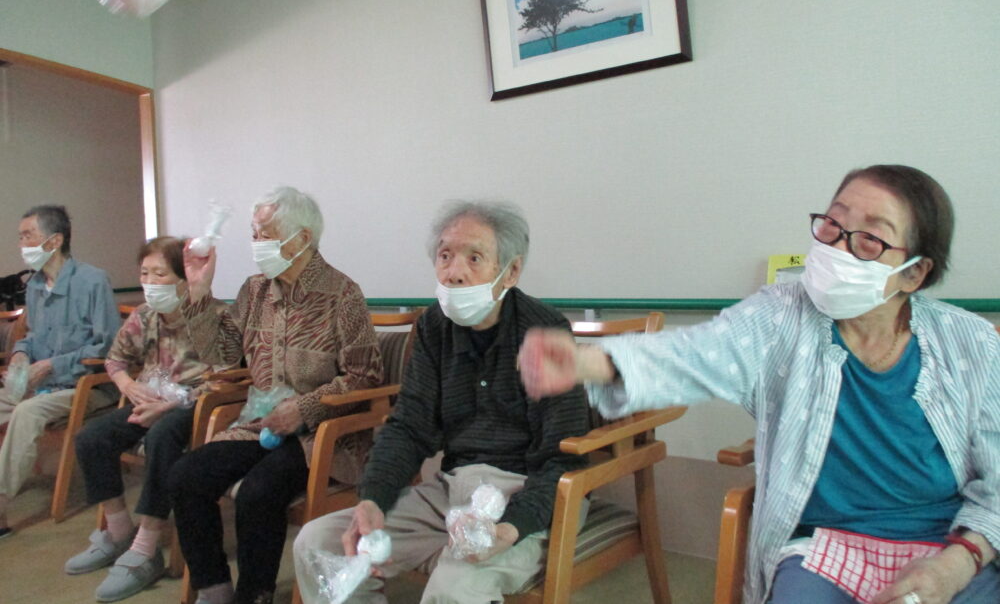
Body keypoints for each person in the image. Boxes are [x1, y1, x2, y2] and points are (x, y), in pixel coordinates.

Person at [519, 165, 1000, 604]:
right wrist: (590, 362)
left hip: (948, 545)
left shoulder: (970, 343)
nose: (837, 247)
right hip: (823, 546)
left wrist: (957, 564)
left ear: (913, 272)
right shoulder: (782, 316)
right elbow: (697, 353)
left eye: (869, 239)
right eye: (833, 224)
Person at [293, 200, 591, 604]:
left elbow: (564, 456)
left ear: (511, 271)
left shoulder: (545, 329)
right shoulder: (434, 327)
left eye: (474, 258)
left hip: (529, 496)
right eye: (445, 256)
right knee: (318, 541)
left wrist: (512, 526)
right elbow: (409, 427)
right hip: (452, 491)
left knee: (454, 590)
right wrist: (372, 499)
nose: (454, 273)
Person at [169, 187, 382, 604]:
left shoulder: (342, 294)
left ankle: (255, 594)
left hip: (320, 436)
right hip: (259, 426)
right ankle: (214, 589)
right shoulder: (255, 291)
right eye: (253, 232)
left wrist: (303, 409)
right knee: (186, 476)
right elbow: (224, 355)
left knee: (259, 492)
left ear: (301, 239)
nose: (256, 243)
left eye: (265, 233)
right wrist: (199, 293)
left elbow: (365, 376)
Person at [64, 236, 243, 601]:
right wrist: (128, 385)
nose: (149, 282)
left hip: (199, 404)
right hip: (148, 400)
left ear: (184, 277)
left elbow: (227, 377)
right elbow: (114, 359)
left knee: (163, 435)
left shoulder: (216, 315)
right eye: (144, 273)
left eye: (160, 273)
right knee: (91, 438)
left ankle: (146, 547)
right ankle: (118, 532)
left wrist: (173, 401)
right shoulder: (145, 316)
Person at [0, 205, 120, 537]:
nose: (22, 244)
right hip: (43, 384)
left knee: (26, 412)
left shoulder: (92, 279)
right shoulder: (36, 285)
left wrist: (54, 364)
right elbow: (33, 336)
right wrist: (21, 356)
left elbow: (107, 347)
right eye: (20, 236)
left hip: (86, 386)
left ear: (54, 241)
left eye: (28, 236)